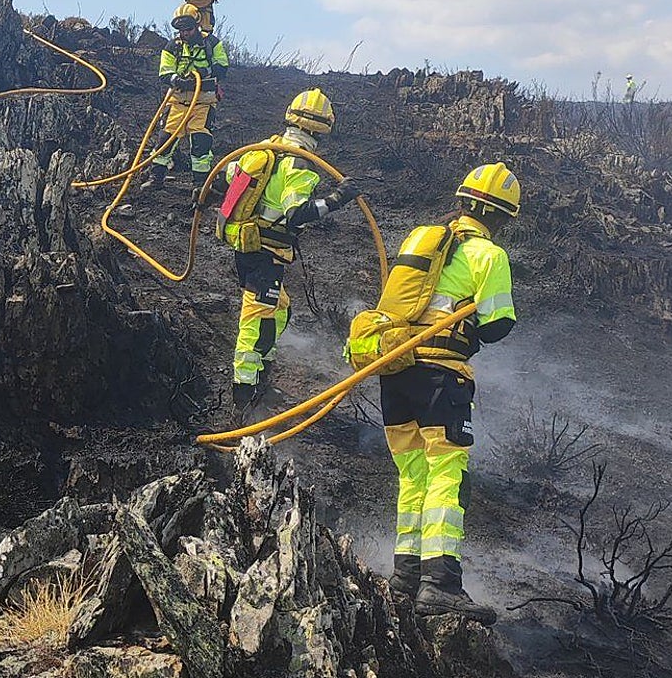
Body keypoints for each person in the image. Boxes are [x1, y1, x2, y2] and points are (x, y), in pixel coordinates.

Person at [381, 163, 520, 626]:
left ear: (463, 202)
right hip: (443, 377)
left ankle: (405, 576)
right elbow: (499, 323)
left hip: (396, 369)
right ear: (498, 216)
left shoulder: (422, 240)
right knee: (445, 476)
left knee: (412, 473)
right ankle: (440, 585)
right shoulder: (488, 255)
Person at [202, 89, 359, 407]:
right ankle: (245, 392)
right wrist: (338, 199)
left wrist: (203, 193)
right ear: (322, 129)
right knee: (257, 316)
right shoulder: (300, 164)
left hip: (247, 246)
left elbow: (229, 179)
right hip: (266, 251)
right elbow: (297, 214)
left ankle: (262, 374)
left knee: (280, 308)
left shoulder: (264, 149)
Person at [143, 3, 229, 191]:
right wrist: (176, 79)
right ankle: (155, 179)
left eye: (188, 29)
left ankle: (201, 186)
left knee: (201, 143)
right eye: (181, 30)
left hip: (203, 102)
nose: (185, 33)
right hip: (178, 101)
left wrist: (204, 71)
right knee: (165, 140)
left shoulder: (212, 43)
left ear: (197, 26)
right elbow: (164, 71)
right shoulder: (172, 46)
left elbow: (222, 66)